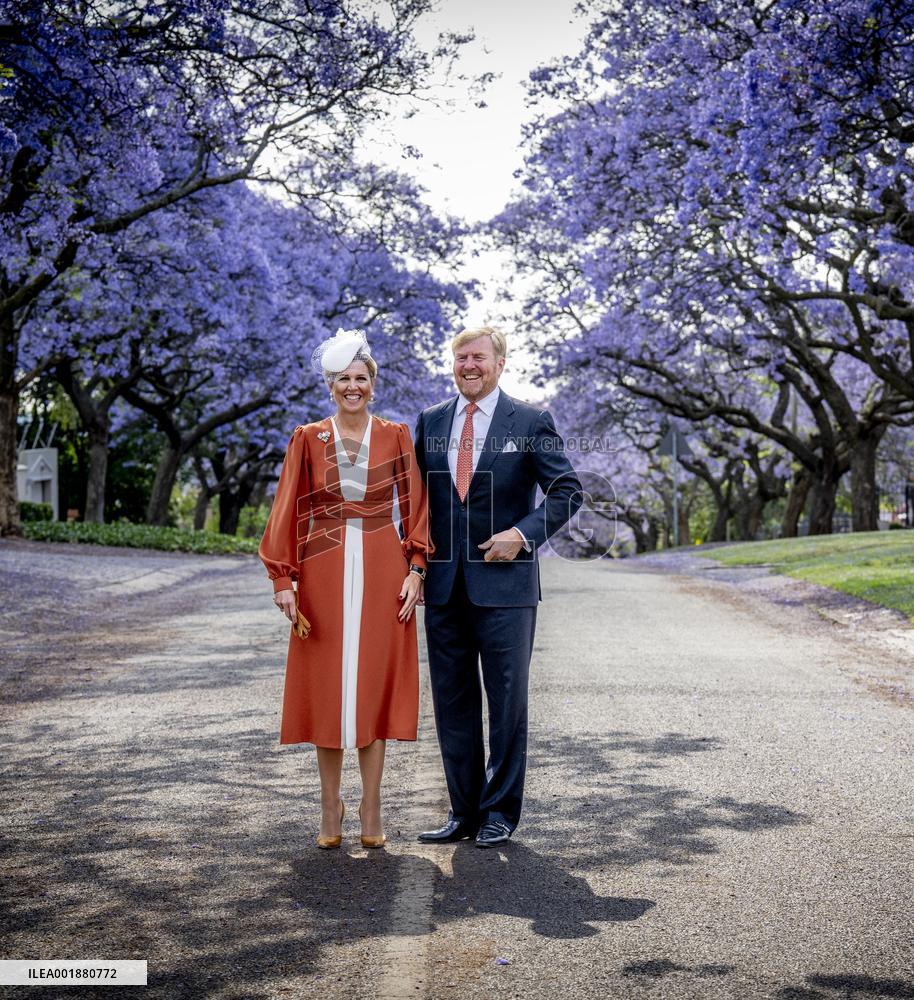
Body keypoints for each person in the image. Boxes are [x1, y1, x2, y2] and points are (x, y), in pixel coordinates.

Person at [259, 329, 431, 850]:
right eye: (343, 380)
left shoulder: (396, 436)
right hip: (323, 569)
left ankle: (371, 802)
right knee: (330, 690)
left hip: (383, 569)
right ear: (330, 386)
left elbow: (417, 507)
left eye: (361, 379)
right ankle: (329, 803)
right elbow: (287, 509)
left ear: (372, 387)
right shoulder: (308, 438)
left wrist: (416, 569)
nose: (352, 387)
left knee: (372, 687)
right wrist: (284, 578)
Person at [414, 326, 582, 848]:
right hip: (443, 588)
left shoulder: (530, 421)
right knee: (452, 702)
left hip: (506, 590)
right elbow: (418, 504)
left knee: (507, 702)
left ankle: (500, 812)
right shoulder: (431, 421)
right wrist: (414, 565)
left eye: (478, 357)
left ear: (500, 363)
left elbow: (567, 491)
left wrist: (521, 534)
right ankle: (463, 810)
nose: (469, 365)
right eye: (461, 357)